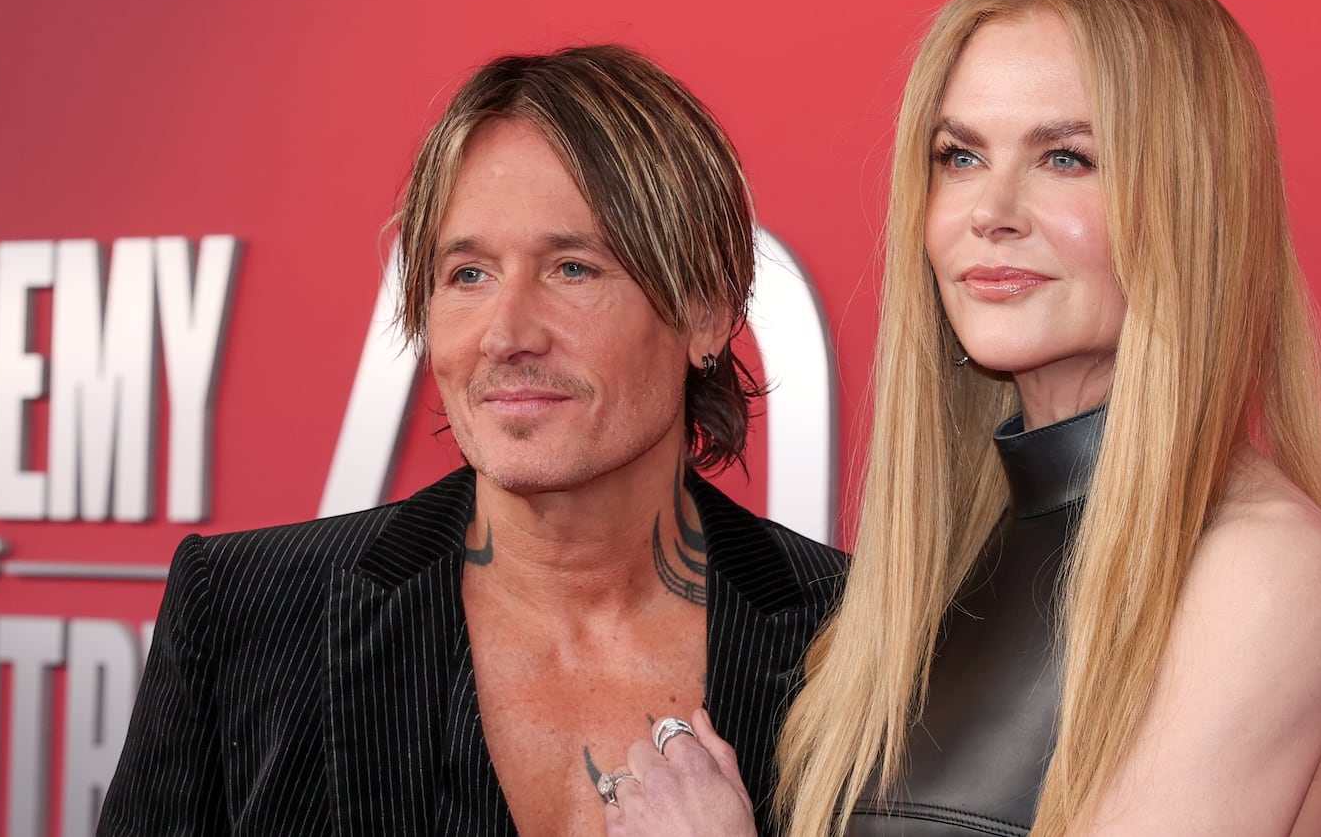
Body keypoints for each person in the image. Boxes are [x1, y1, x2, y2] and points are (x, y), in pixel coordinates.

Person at [603, 0, 1321, 837]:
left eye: (1065, 157)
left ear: (1193, 198)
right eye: (960, 156)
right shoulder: (929, 572)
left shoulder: (1262, 570)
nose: (992, 209)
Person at [97, 44, 847, 837]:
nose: (507, 335)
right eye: (468, 276)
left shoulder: (862, 633)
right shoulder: (244, 612)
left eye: (572, 269)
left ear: (706, 311)